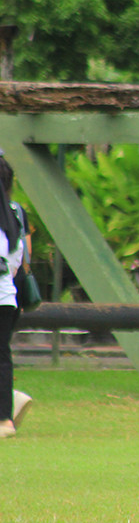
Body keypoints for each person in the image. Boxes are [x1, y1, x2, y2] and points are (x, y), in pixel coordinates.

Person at [0, 152, 27, 438]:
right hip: (7, 295)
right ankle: (5, 416)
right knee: (2, 355)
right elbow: (17, 261)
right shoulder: (15, 215)